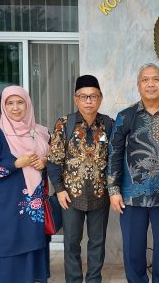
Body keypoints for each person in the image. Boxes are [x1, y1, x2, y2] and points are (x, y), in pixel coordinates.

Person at [107, 63, 159, 283]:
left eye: (155, 79)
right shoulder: (125, 116)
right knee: (133, 253)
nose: (150, 84)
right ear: (138, 85)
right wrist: (113, 189)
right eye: (145, 79)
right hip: (131, 197)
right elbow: (114, 153)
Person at [0, 85, 50, 283]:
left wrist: (45, 162)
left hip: (35, 207)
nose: (15, 108)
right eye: (9, 103)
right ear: (3, 105)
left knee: (35, 247)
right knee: (10, 248)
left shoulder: (41, 133)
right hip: (9, 207)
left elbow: (53, 160)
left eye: (20, 102)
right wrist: (15, 163)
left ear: (28, 105)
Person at [47, 75, 113, 283]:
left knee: (97, 243)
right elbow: (54, 160)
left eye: (93, 96)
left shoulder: (108, 124)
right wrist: (59, 189)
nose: (88, 101)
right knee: (72, 243)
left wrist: (113, 190)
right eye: (83, 96)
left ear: (100, 98)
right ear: (76, 99)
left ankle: (94, 280)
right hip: (70, 196)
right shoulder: (64, 124)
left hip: (100, 195)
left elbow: (114, 159)